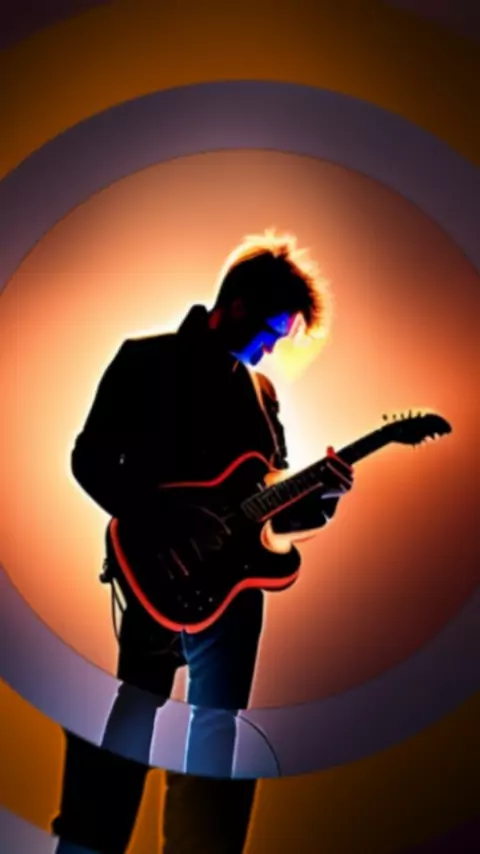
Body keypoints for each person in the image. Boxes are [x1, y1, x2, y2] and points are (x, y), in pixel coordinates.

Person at [52, 230, 354, 854]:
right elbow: (88, 460)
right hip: (155, 572)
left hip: (235, 594)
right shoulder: (145, 360)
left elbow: (270, 509)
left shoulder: (262, 395)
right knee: (135, 712)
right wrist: (167, 521)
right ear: (237, 306)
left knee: (216, 733)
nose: (271, 350)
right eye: (270, 331)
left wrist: (321, 499)